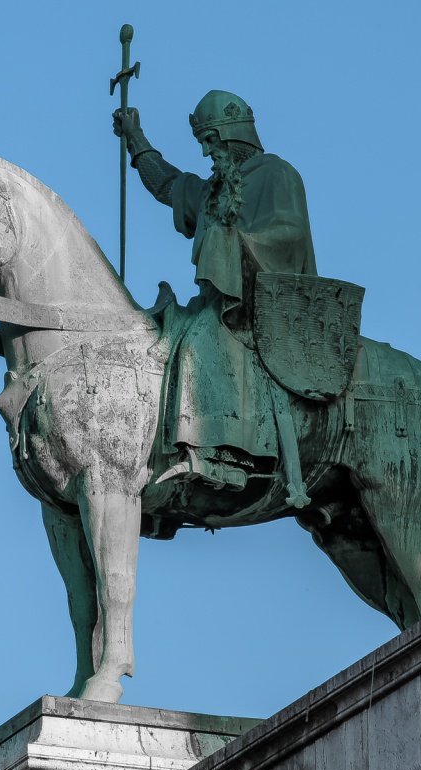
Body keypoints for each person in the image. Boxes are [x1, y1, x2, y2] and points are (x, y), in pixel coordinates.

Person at [113, 90, 317, 490]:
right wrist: (135, 140)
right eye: (202, 144)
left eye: (211, 141)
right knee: (165, 335)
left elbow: (291, 236)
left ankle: (222, 456)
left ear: (235, 135)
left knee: (198, 343)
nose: (207, 152)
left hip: (264, 306)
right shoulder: (213, 190)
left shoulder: (277, 174)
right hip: (219, 303)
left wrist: (235, 242)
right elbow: (169, 184)